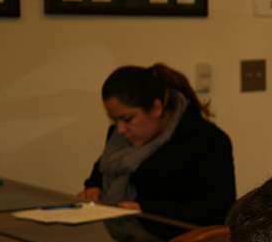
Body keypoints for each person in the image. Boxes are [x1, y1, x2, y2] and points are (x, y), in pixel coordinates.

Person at [79, 64, 235, 226]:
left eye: (128, 119)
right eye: (115, 120)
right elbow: (102, 169)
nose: (120, 129)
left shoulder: (206, 140)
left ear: (156, 108)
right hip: (124, 241)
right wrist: (94, 188)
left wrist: (145, 210)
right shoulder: (119, 138)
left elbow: (217, 211)